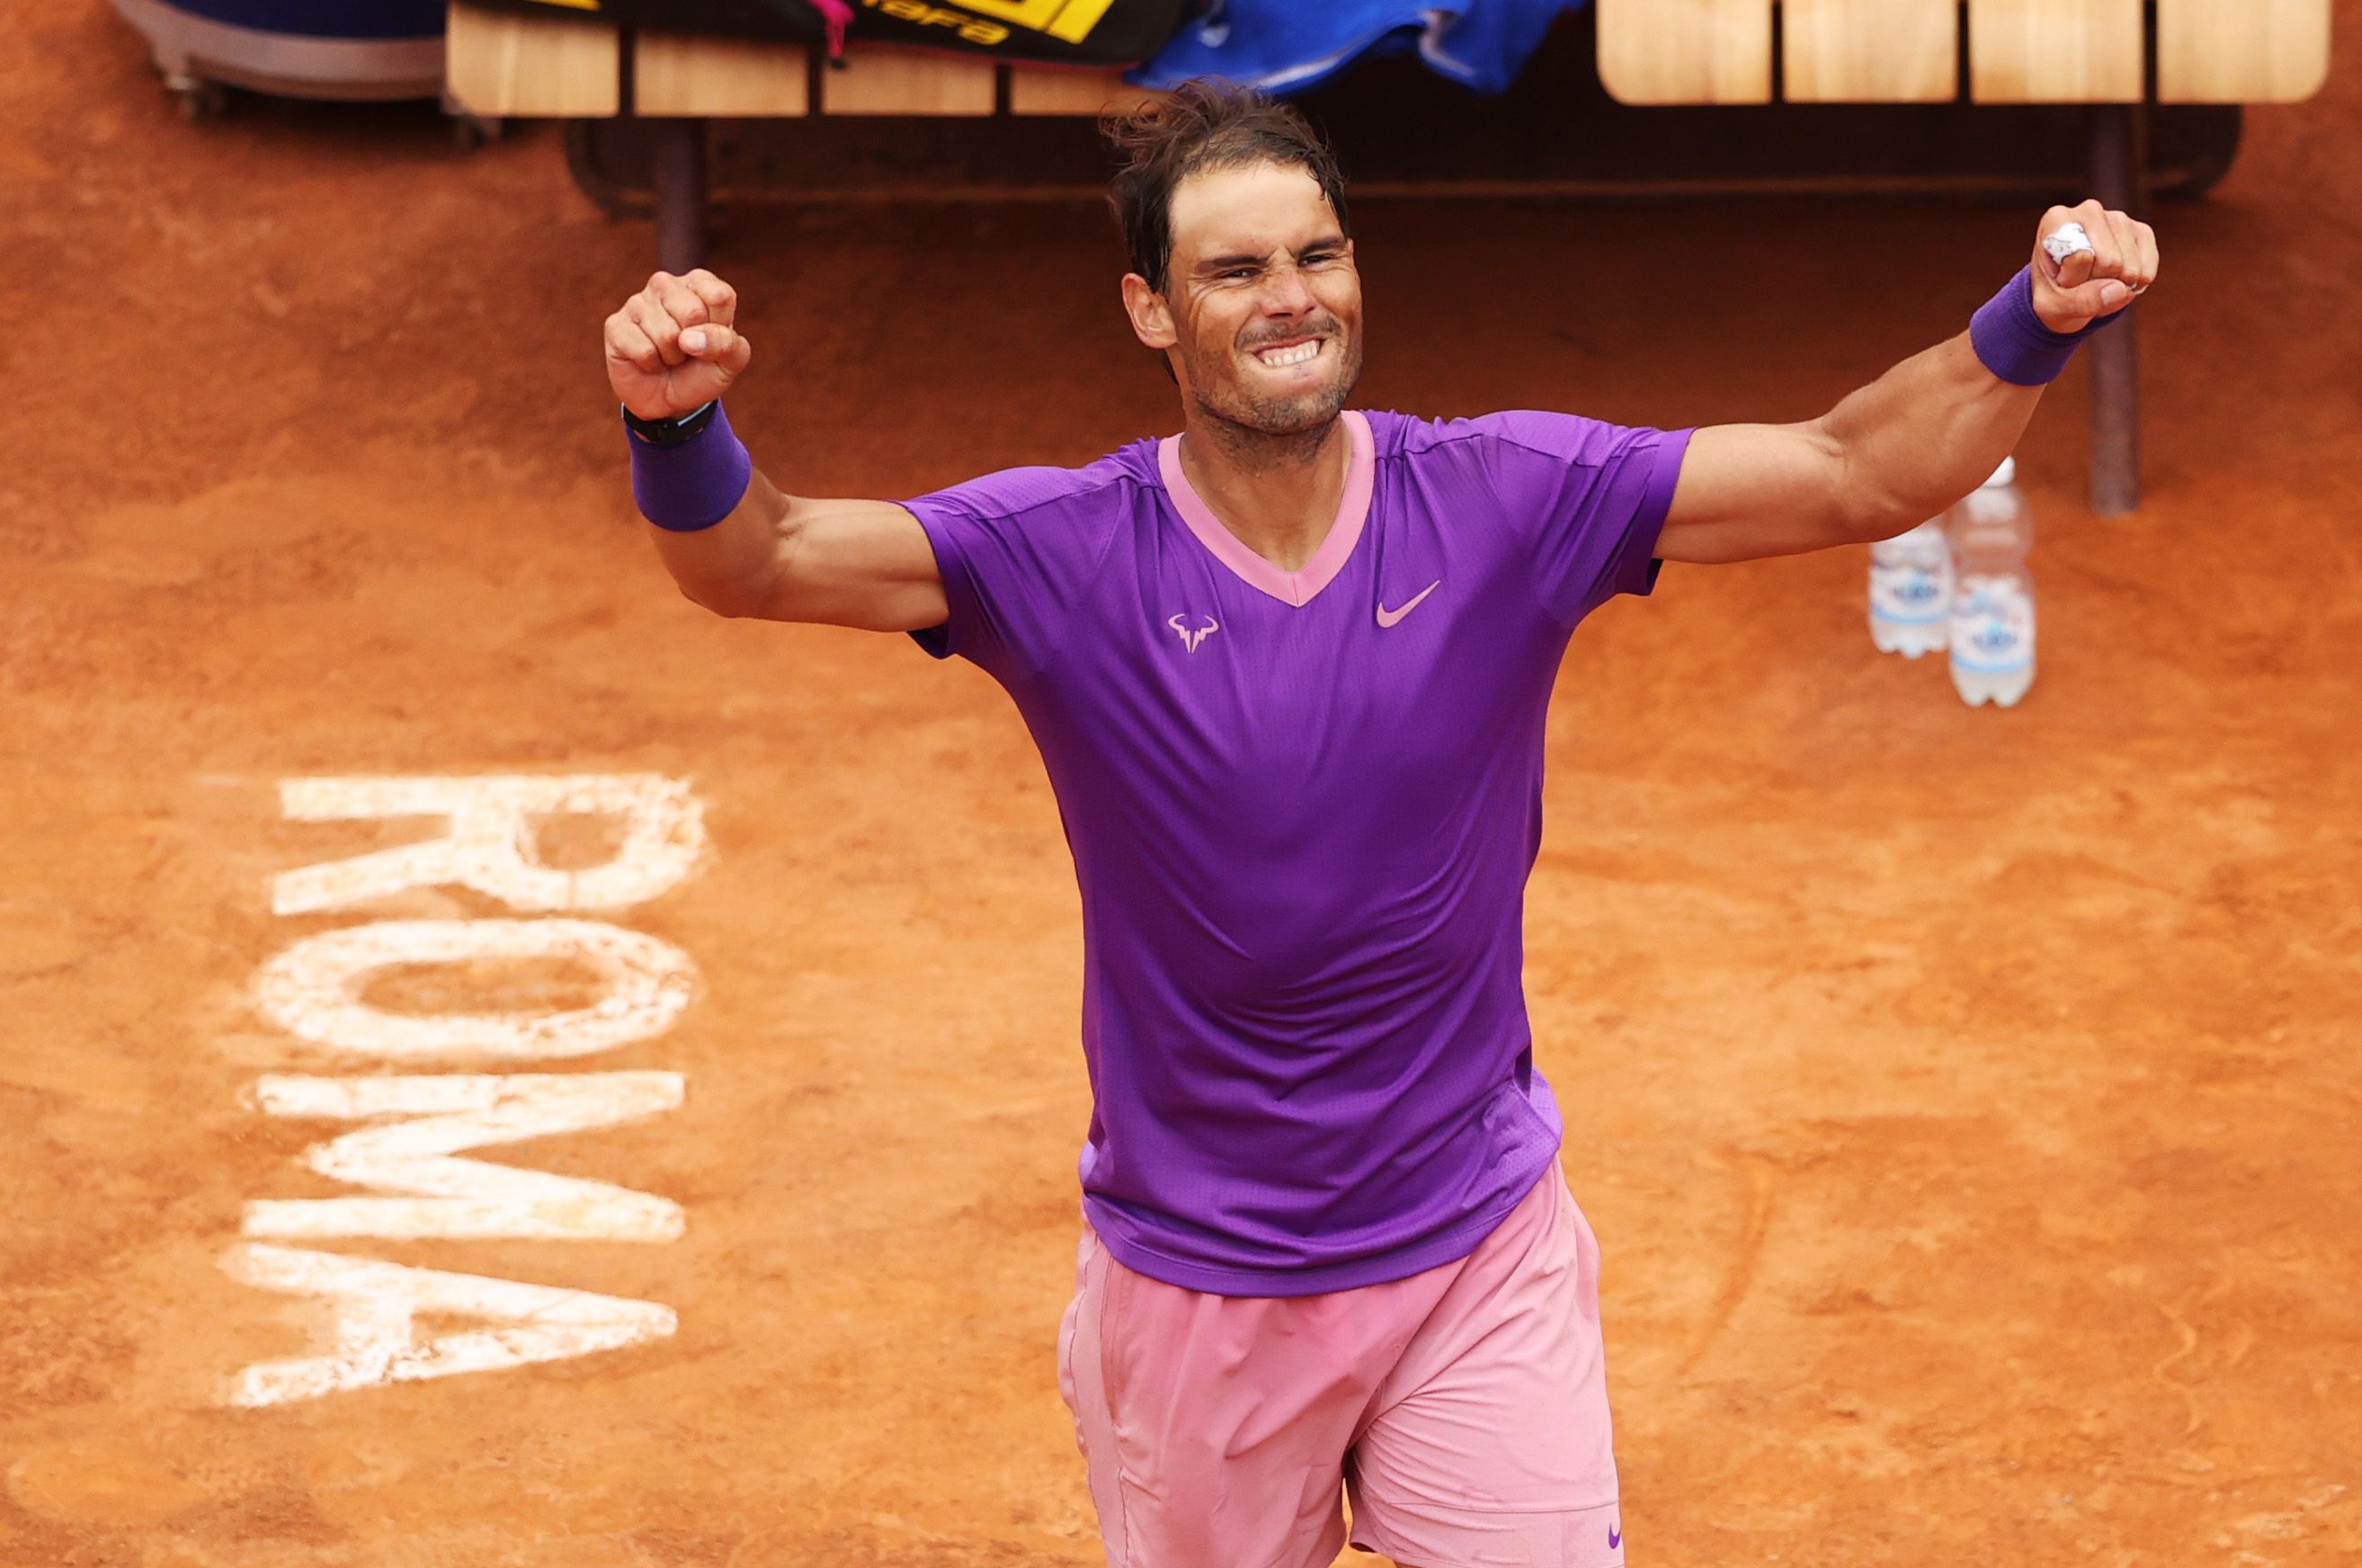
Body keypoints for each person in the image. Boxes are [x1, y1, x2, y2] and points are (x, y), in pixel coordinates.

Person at [602, 81, 2157, 1568]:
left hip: (1478, 1241)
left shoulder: (1506, 498)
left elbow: (1856, 467)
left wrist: (2031, 318)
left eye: (1317, 255)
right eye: (1233, 270)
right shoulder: (1058, 554)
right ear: (1151, 309)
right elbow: (763, 558)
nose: (1290, 297)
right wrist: (678, 432)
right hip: (1202, 1286)